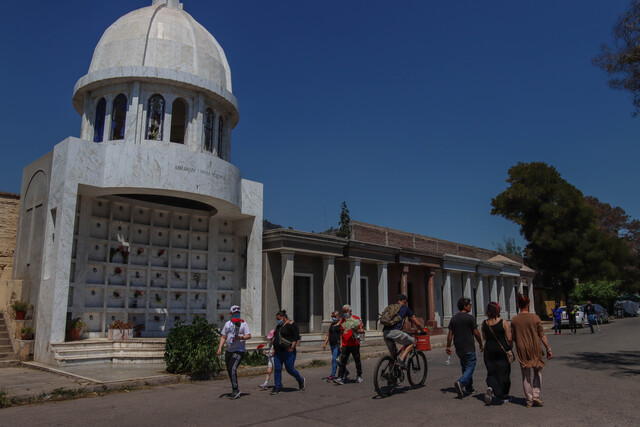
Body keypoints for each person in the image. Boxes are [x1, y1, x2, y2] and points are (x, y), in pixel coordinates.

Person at [511, 293, 552, 408]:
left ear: (518, 305)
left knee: (525, 375)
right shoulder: (535, 318)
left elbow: (512, 337)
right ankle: (535, 395)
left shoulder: (514, 320)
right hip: (535, 347)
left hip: (522, 348)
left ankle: (529, 400)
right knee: (538, 371)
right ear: (528, 304)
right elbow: (542, 335)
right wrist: (548, 348)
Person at [446, 297, 484, 399]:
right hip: (468, 347)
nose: (471, 306)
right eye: (469, 305)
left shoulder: (454, 318)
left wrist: (448, 346)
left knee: (465, 367)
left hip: (459, 348)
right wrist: (481, 342)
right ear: (464, 306)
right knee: (470, 366)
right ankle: (461, 382)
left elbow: (450, 334)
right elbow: (476, 332)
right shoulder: (470, 318)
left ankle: (469, 388)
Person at [217, 305, 251, 399]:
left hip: (239, 350)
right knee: (229, 370)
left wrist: (240, 337)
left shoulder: (243, 323)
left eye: (238, 313)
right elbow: (223, 336)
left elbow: (248, 335)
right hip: (229, 350)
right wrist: (220, 347)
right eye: (235, 313)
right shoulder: (227, 324)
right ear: (231, 314)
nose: (237, 315)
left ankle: (235, 390)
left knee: (233, 369)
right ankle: (235, 388)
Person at [481, 302, 512, 405]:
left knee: (491, 371)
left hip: (489, 350)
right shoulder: (503, 322)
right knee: (504, 371)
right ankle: (503, 394)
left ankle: (491, 387)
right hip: (501, 350)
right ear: (498, 311)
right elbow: (509, 338)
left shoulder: (484, 323)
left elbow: (484, 337)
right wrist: (510, 346)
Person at [382, 294, 423, 368]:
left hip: (385, 333)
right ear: (404, 301)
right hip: (395, 332)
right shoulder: (405, 308)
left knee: (393, 356)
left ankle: (391, 376)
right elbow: (416, 322)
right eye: (406, 302)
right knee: (412, 342)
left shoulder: (391, 307)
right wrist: (422, 330)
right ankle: (401, 359)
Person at [270, 310, 305, 395]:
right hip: (278, 351)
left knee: (290, 369)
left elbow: (295, 336)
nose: (278, 320)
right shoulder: (278, 326)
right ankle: (277, 386)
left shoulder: (291, 325)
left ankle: (300, 379)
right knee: (277, 369)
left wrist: (292, 347)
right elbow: (276, 337)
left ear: (284, 317)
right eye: (277, 319)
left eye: (279, 319)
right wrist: (273, 349)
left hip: (288, 351)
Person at [333, 305, 365, 385]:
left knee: (357, 360)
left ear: (350, 311)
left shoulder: (356, 319)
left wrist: (356, 330)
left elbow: (362, 330)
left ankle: (359, 375)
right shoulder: (343, 320)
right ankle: (340, 377)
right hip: (345, 344)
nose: (345, 313)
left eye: (346, 312)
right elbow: (341, 332)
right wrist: (341, 343)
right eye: (343, 312)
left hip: (354, 343)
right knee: (342, 361)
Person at [322, 311, 342, 380]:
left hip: (337, 344)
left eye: (334, 316)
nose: (333, 318)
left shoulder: (341, 324)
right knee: (337, 360)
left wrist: (341, 344)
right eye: (332, 317)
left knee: (334, 359)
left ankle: (332, 375)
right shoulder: (331, 325)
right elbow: (328, 335)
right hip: (332, 344)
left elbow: (342, 336)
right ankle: (345, 371)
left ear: (338, 316)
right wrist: (325, 343)